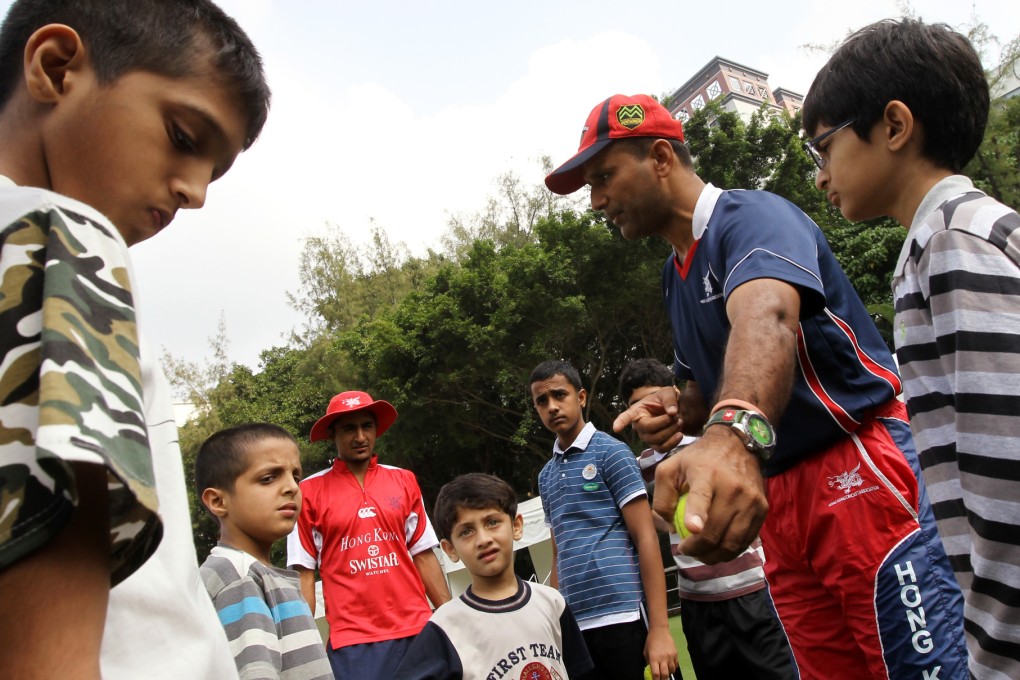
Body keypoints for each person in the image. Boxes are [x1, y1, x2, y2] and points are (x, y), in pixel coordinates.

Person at [544, 94, 968, 679]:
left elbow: (766, 315)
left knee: (920, 668)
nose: (596, 201)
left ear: (662, 157)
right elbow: (703, 389)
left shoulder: (752, 218)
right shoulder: (675, 273)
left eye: (604, 177)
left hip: (853, 463)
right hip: (777, 498)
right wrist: (678, 407)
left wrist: (729, 434)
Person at [0, 0, 270, 677]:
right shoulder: (57, 238)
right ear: (56, 67)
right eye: (184, 135)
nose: (196, 193)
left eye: (217, 170)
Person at [802, 18, 1020, 679]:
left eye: (823, 148)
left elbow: (1006, 466)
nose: (819, 177)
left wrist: (997, 648)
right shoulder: (977, 228)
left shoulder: (949, 246)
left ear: (894, 126)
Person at [619, 358, 795, 679]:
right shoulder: (634, 468)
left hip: (752, 590)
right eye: (636, 406)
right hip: (696, 603)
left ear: (674, 396)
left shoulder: (713, 444)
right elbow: (651, 522)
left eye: (655, 400)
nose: (649, 412)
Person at [529, 359, 680, 680]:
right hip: (576, 625)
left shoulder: (612, 452)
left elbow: (646, 538)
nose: (552, 406)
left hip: (623, 616)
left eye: (559, 395)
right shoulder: (545, 477)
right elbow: (559, 554)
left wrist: (661, 629)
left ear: (581, 397)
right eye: (542, 401)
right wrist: (559, 622)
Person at [287, 390, 452, 679]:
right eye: (349, 428)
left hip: (417, 629)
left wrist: (454, 618)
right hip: (352, 642)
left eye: (367, 426)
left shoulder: (404, 480)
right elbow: (304, 574)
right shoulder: (307, 493)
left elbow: (423, 554)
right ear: (332, 434)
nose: (360, 436)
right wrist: (304, 646)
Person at [392, 472, 594, 680]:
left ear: (516, 526)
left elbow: (579, 669)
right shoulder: (447, 626)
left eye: (492, 522)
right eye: (467, 531)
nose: (483, 539)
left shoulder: (552, 602)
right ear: (450, 549)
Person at [195, 423, 333, 680]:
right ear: (218, 501)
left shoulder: (257, 574)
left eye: (296, 476)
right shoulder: (237, 578)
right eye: (268, 478)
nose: (292, 487)